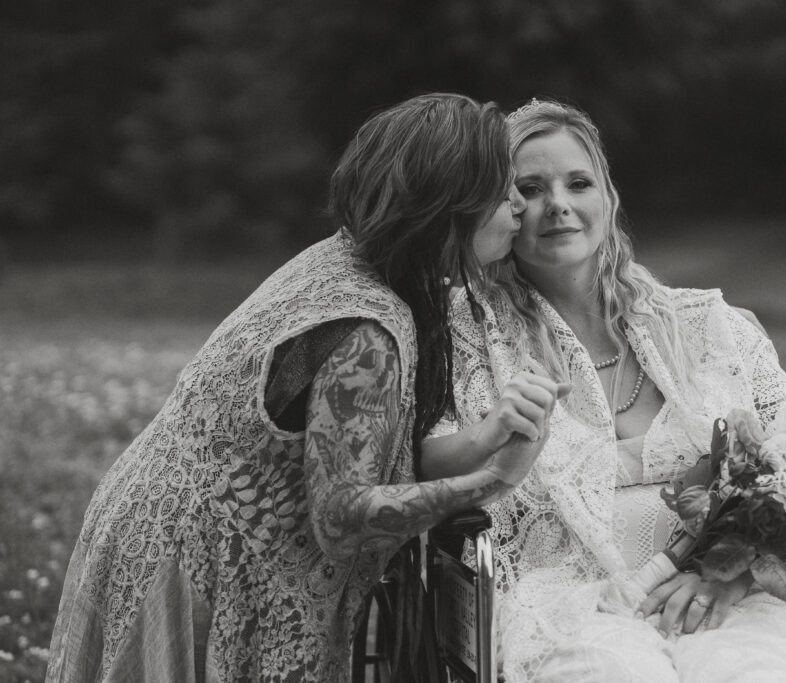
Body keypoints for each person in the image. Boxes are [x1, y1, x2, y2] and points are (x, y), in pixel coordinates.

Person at [46, 93, 569, 682]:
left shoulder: (345, 262)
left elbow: (360, 454)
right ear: (453, 203)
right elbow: (344, 514)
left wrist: (487, 432)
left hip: (148, 528)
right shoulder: (366, 330)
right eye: (504, 192)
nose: (519, 207)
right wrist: (494, 479)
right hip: (189, 563)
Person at [422, 99, 786, 682]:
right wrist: (489, 433)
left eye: (578, 183)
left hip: (722, 591)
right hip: (567, 600)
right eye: (530, 187)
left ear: (607, 197)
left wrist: (726, 569)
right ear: (501, 209)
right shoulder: (466, 335)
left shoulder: (707, 326)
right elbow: (424, 464)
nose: (558, 204)